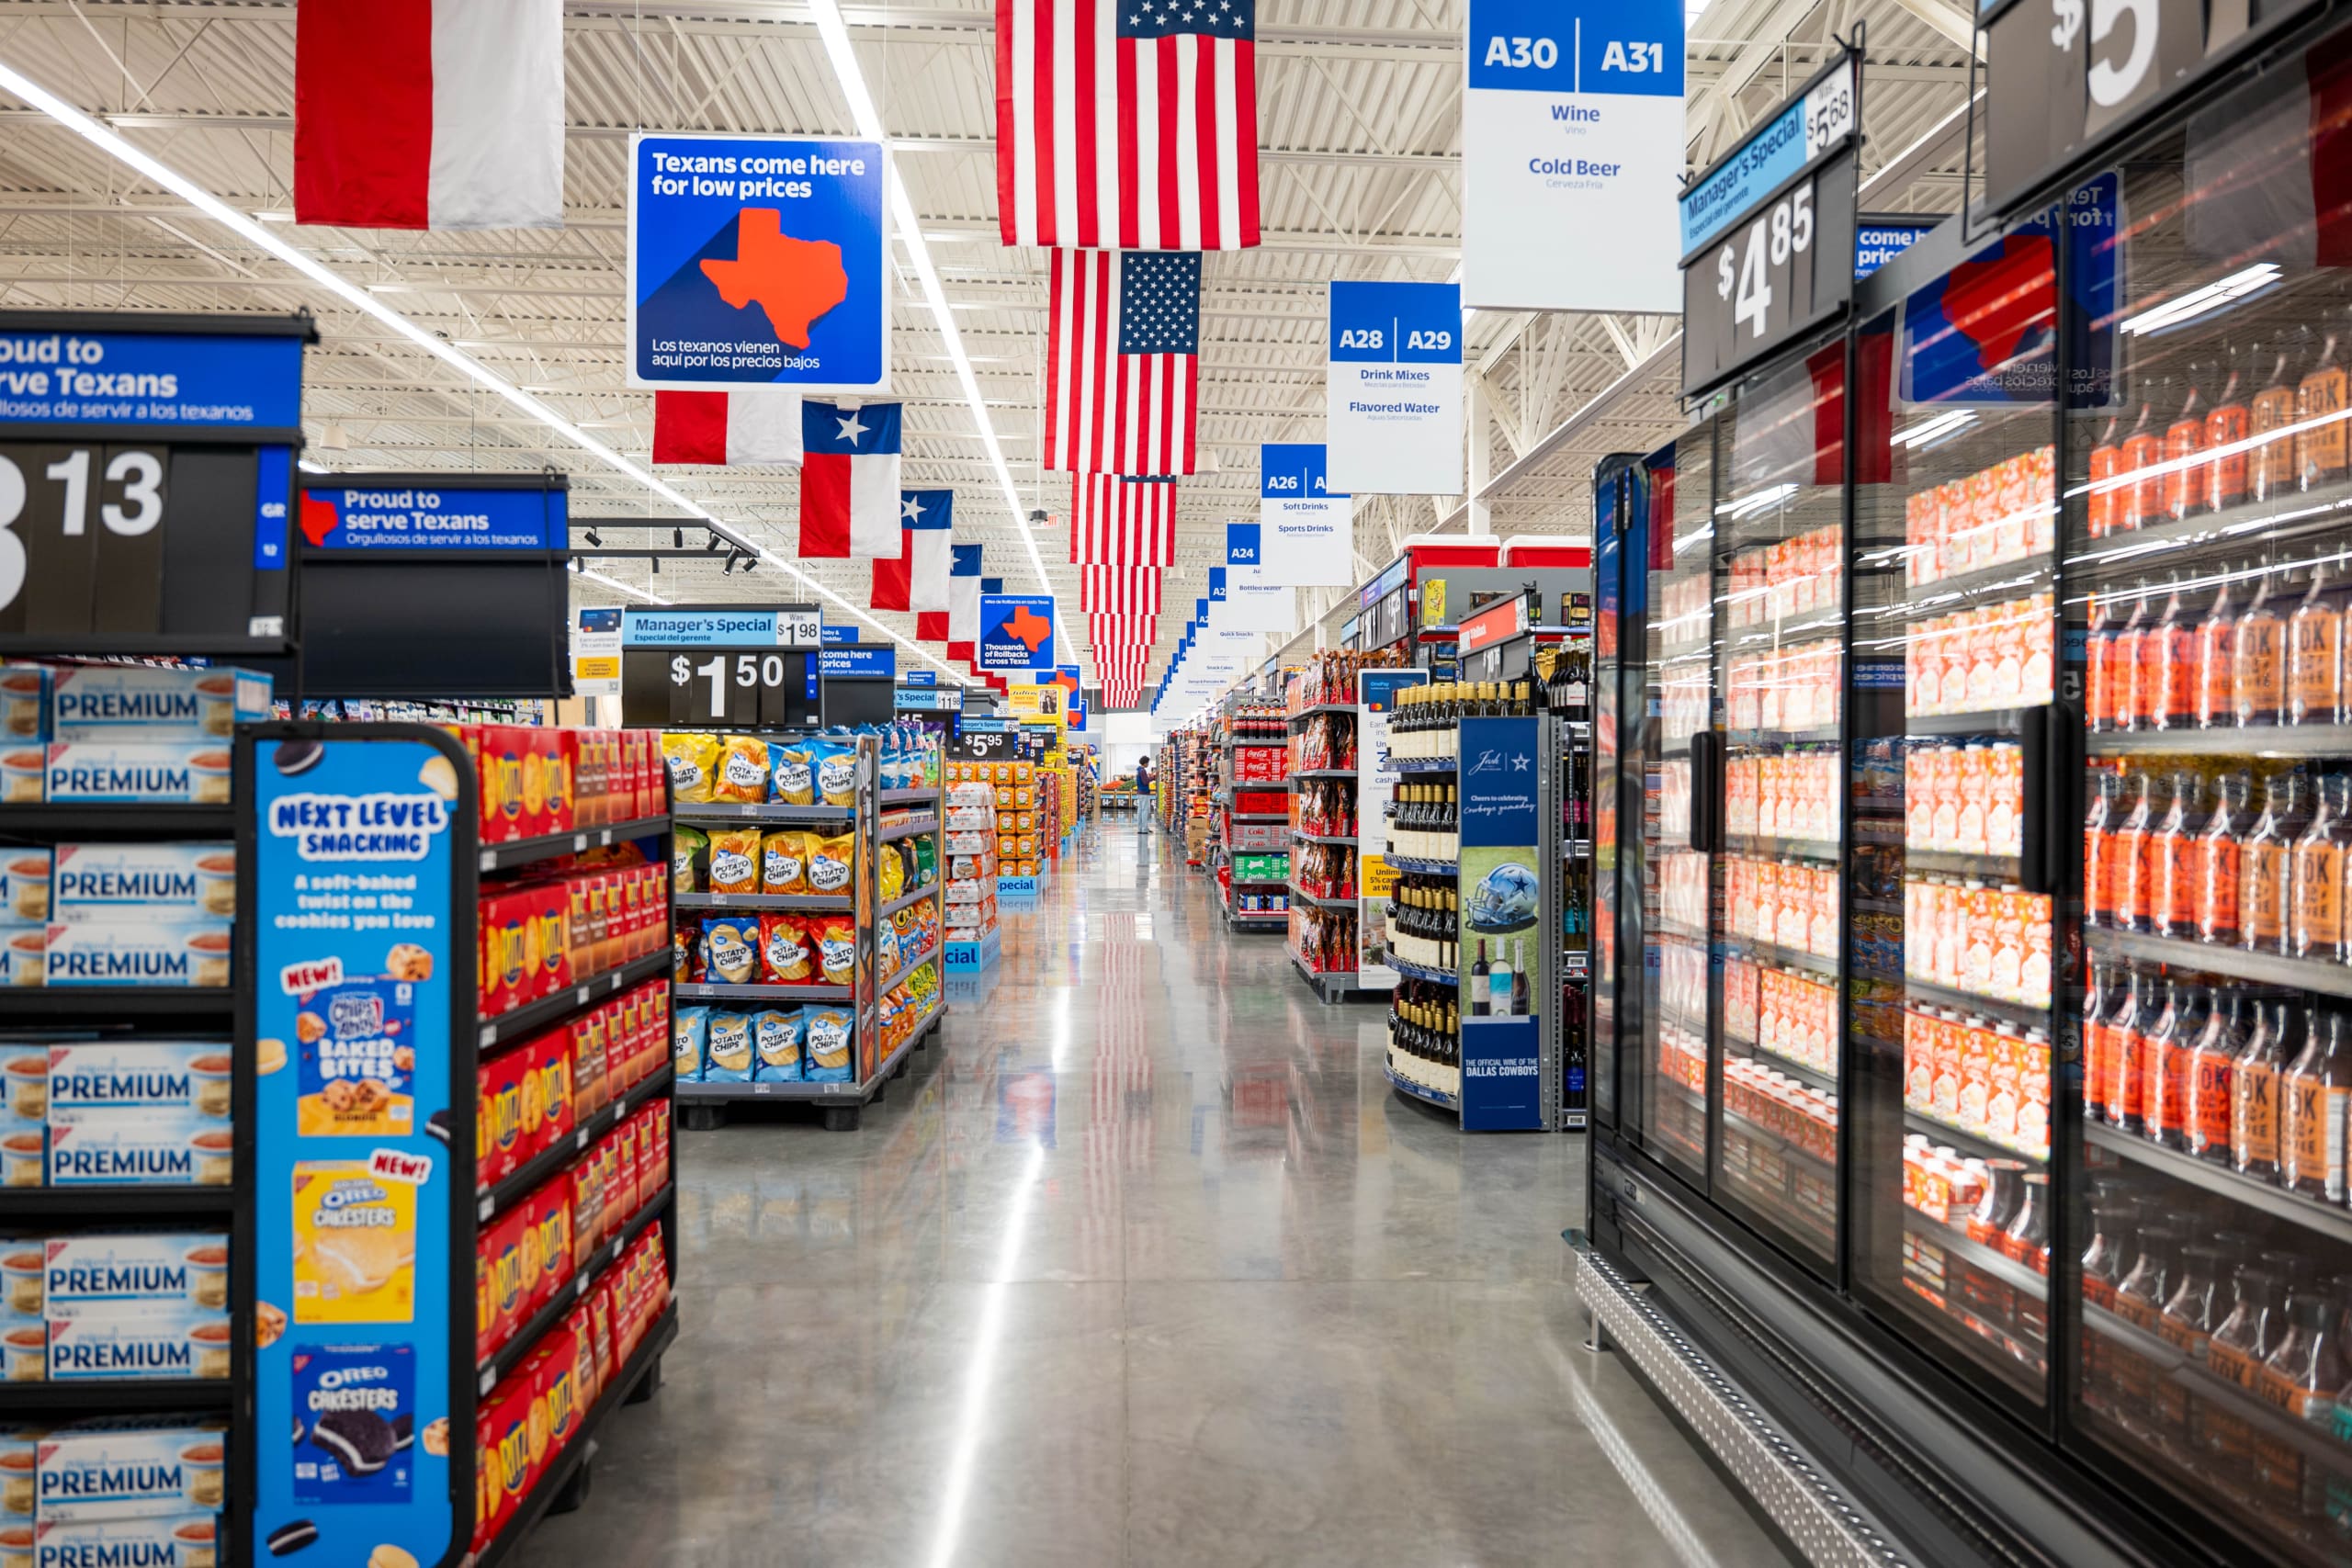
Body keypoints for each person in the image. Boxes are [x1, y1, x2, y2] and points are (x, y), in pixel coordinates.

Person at [1135, 756, 1153, 833]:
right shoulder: (1142, 771)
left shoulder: (1139, 770)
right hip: (1144, 793)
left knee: (1140, 811)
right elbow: (1145, 782)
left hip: (1140, 792)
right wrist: (1153, 777)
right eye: (1148, 763)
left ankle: (1140, 828)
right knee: (1145, 811)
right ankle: (1144, 829)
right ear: (1145, 763)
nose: (1148, 764)